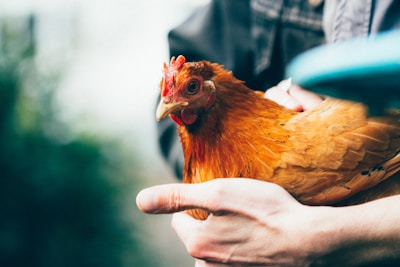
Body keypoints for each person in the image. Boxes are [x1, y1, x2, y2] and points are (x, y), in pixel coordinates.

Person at [137, 1, 400, 266]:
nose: (169, 103)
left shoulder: (303, 167)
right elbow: (198, 51)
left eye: (192, 88)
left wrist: (332, 235)